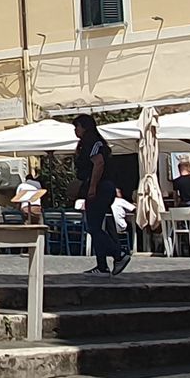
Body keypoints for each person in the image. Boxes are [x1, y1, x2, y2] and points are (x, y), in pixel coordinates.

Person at [73, 114, 129, 275]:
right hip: (101, 187)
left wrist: (92, 187)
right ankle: (102, 265)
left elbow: (99, 163)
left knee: (94, 227)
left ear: (84, 127)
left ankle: (119, 254)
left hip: (100, 187)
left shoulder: (93, 142)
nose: (75, 130)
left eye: (77, 127)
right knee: (97, 226)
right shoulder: (89, 143)